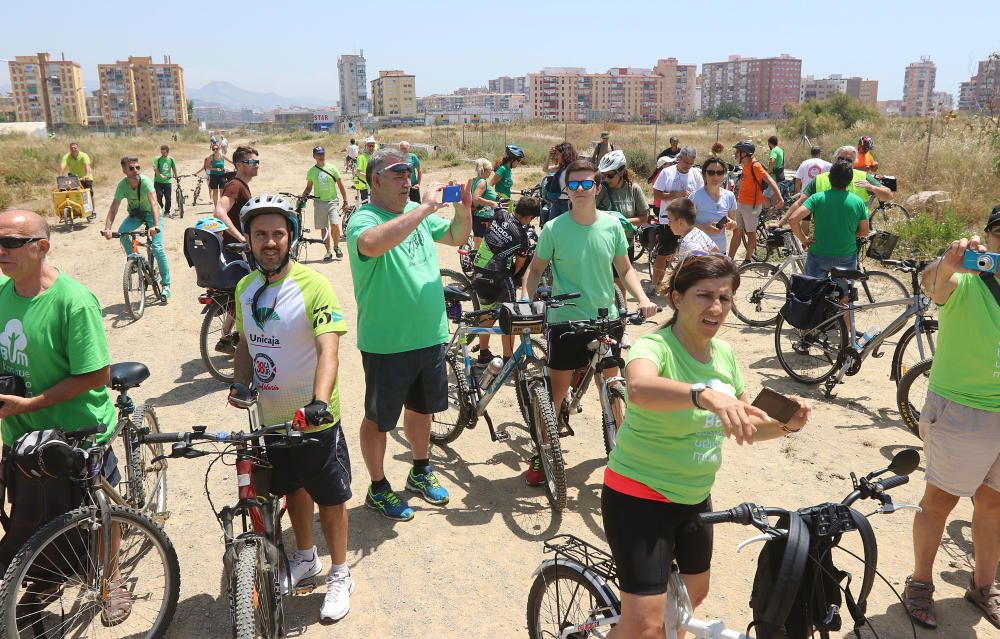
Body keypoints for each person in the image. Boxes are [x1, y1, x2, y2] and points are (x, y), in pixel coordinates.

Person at [603, 253, 810, 639]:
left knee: (687, 603)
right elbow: (639, 389)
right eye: (704, 295)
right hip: (639, 495)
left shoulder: (725, 355)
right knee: (644, 627)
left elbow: (744, 425)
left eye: (725, 298)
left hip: (695, 495)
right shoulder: (655, 348)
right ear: (677, 298)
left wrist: (786, 426)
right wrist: (704, 396)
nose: (716, 307)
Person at [0, 209, 130, 625]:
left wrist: (31, 403)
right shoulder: (3, 292)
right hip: (20, 434)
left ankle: (112, 580)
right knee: (32, 512)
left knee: (98, 509)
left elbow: (96, 374)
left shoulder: (73, 301)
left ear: (42, 247)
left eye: (10, 243)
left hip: (76, 430)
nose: (0, 251)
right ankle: (44, 577)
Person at [231, 193, 354, 622]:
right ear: (248, 239)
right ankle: (306, 558)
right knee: (292, 489)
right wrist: (240, 381)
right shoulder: (245, 288)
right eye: (260, 234)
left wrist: (320, 401)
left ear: (291, 238)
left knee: (331, 498)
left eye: (277, 234)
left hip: (314, 418)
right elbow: (246, 343)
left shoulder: (313, 285)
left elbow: (329, 351)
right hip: (271, 418)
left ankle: (340, 573)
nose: (269, 242)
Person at [346, 148, 472, 521]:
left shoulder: (412, 215)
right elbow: (371, 244)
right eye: (398, 174)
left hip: (429, 335)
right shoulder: (364, 218)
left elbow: (457, 236)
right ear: (375, 180)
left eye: (410, 173)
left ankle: (420, 470)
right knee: (379, 418)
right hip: (387, 342)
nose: (408, 180)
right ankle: (378, 487)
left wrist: (463, 208)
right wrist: (424, 209)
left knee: (421, 409)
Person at [522, 159, 657, 485]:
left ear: (598, 188)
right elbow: (535, 270)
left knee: (612, 385)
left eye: (587, 184)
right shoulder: (554, 228)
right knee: (556, 394)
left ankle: (622, 453)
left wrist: (642, 299)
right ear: (566, 189)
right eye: (574, 184)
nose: (580, 190)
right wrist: (530, 301)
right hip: (565, 321)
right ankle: (542, 451)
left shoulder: (611, 226)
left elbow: (624, 269)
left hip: (607, 318)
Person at [902, 206, 1000, 630]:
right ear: (988, 236)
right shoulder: (966, 279)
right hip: (962, 409)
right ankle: (920, 582)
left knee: (994, 503)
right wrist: (945, 265)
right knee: (940, 501)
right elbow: (932, 286)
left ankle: (983, 585)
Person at [470, 197, 541, 364]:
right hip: (500, 276)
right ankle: (509, 360)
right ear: (530, 218)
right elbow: (521, 262)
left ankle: (483, 354)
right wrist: (514, 275)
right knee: (508, 318)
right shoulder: (522, 238)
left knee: (485, 312)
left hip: (479, 268)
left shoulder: (500, 214)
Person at [101, 156, 171, 300]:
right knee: (122, 234)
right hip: (136, 215)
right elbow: (114, 206)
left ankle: (166, 285)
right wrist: (107, 228)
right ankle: (134, 259)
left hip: (152, 215)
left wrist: (156, 226)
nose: (135, 171)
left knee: (157, 247)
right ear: (124, 171)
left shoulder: (145, 182)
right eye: (131, 168)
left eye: (137, 167)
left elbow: (153, 203)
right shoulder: (123, 185)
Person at [786, 161, 869, 280]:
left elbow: (793, 219)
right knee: (844, 294)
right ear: (850, 181)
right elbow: (864, 232)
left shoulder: (817, 198)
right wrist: (850, 233)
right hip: (845, 255)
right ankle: (843, 298)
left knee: (813, 291)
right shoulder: (858, 202)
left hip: (818, 254)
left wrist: (803, 239)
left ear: (829, 178)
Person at [780, 145, 893, 227]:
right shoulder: (820, 179)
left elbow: (888, 195)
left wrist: (872, 187)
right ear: (834, 159)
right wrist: (780, 223)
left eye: (848, 160)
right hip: (825, 235)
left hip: (853, 236)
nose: (844, 162)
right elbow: (800, 202)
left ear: (853, 163)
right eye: (841, 158)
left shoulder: (863, 177)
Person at [651, 147, 704, 294]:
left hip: (688, 220)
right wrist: (677, 195)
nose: (688, 165)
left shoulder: (696, 174)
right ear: (679, 158)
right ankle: (654, 284)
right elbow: (657, 194)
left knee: (689, 253)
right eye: (685, 162)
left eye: (691, 163)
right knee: (664, 252)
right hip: (668, 219)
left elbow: (700, 195)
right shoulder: (667, 172)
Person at [597, 150, 648, 301]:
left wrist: (622, 221)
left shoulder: (634, 189)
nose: (606, 179)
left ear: (622, 172)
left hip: (626, 244)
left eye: (610, 176)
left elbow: (644, 217)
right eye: (603, 175)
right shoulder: (601, 189)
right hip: (604, 243)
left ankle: (621, 318)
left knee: (621, 283)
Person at [728, 140, 783, 262]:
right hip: (740, 203)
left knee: (750, 234)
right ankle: (729, 260)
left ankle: (747, 261)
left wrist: (780, 199)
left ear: (746, 153)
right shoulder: (745, 165)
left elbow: (771, 181)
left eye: (738, 152)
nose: (736, 154)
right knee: (736, 232)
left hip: (751, 206)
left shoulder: (756, 166)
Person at [300, 146, 349, 261]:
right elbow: (308, 188)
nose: (321, 156)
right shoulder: (312, 171)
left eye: (322, 154)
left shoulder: (332, 168)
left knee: (335, 225)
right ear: (314, 156)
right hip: (319, 203)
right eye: (318, 154)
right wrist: (302, 198)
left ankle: (336, 246)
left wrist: (345, 200)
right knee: (324, 228)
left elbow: (341, 185)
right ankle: (328, 251)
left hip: (332, 202)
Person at [213, 145, 259, 254]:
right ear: (239, 165)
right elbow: (219, 213)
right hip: (237, 252)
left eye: (258, 162)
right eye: (252, 162)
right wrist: (241, 239)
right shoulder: (235, 185)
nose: (257, 165)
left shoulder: (241, 184)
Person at [690, 157, 738, 253]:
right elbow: (685, 225)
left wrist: (731, 224)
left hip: (719, 251)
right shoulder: (695, 197)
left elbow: (733, 224)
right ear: (704, 174)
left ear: (724, 175)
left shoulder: (729, 196)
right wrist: (703, 228)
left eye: (719, 173)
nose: (715, 177)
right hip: (698, 251)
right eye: (711, 172)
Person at [542, 142, 578, 223]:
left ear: (565, 154)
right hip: (557, 202)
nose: (556, 157)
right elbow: (545, 169)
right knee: (553, 225)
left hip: (568, 203)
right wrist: (549, 156)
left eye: (558, 154)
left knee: (566, 226)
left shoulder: (574, 168)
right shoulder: (561, 167)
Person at [471, 158, 499, 249]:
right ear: (486, 170)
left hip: (478, 215)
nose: (491, 173)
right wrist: (491, 203)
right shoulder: (482, 182)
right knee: (480, 248)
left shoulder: (475, 180)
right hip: (483, 216)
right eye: (490, 170)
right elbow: (476, 198)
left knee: (477, 246)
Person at [59, 142, 95, 210]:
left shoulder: (84, 155)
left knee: (89, 194)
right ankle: (75, 210)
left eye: (75, 148)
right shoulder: (66, 157)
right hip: (74, 179)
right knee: (72, 194)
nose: (73, 149)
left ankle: (93, 211)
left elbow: (87, 166)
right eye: (72, 148)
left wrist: (86, 175)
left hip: (86, 178)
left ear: (78, 148)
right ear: (70, 149)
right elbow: (62, 168)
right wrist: (60, 177)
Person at [152, 144, 179, 218]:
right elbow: (155, 169)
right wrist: (160, 175)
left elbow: (174, 168)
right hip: (158, 181)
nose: (162, 154)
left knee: (168, 198)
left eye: (164, 152)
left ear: (168, 152)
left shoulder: (171, 159)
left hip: (168, 182)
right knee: (159, 196)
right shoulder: (157, 159)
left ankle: (167, 212)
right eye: (161, 152)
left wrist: (175, 175)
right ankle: (160, 208)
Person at [354, 137, 377, 203]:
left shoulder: (375, 157)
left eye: (373, 146)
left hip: (373, 186)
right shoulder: (361, 157)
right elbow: (358, 173)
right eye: (369, 146)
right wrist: (370, 176)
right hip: (364, 186)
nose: (371, 147)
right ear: (366, 146)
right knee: (367, 205)